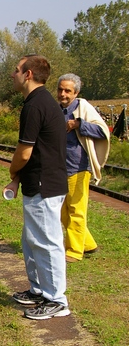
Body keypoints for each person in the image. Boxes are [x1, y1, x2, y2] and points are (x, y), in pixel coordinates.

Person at [7, 54, 70, 320]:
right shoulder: (41, 102)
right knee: (32, 240)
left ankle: (56, 299)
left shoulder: (35, 105)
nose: (13, 74)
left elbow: (24, 152)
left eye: (17, 70)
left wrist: (13, 172)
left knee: (46, 242)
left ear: (28, 74)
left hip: (45, 184)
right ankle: (39, 290)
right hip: (40, 183)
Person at [56, 73, 110, 262]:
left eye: (67, 91)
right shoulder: (55, 109)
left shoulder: (83, 108)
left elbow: (102, 131)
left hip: (78, 167)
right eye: (60, 89)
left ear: (76, 92)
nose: (63, 94)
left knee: (76, 210)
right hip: (59, 168)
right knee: (62, 211)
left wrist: (79, 124)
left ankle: (74, 251)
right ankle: (88, 244)